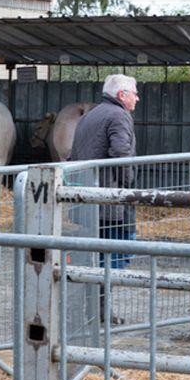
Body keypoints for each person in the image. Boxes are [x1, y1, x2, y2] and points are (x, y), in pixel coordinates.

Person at [70, 74, 140, 272]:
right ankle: (103, 299)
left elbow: (73, 153)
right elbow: (120, 153)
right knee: (113, 259)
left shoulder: (89, 115)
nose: (137, 98)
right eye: (134, 94)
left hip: (88, 199)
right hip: (111, 203)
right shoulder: (119, 115)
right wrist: (128, 185)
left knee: (95, 256)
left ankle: (97, 298)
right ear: (122, 95)